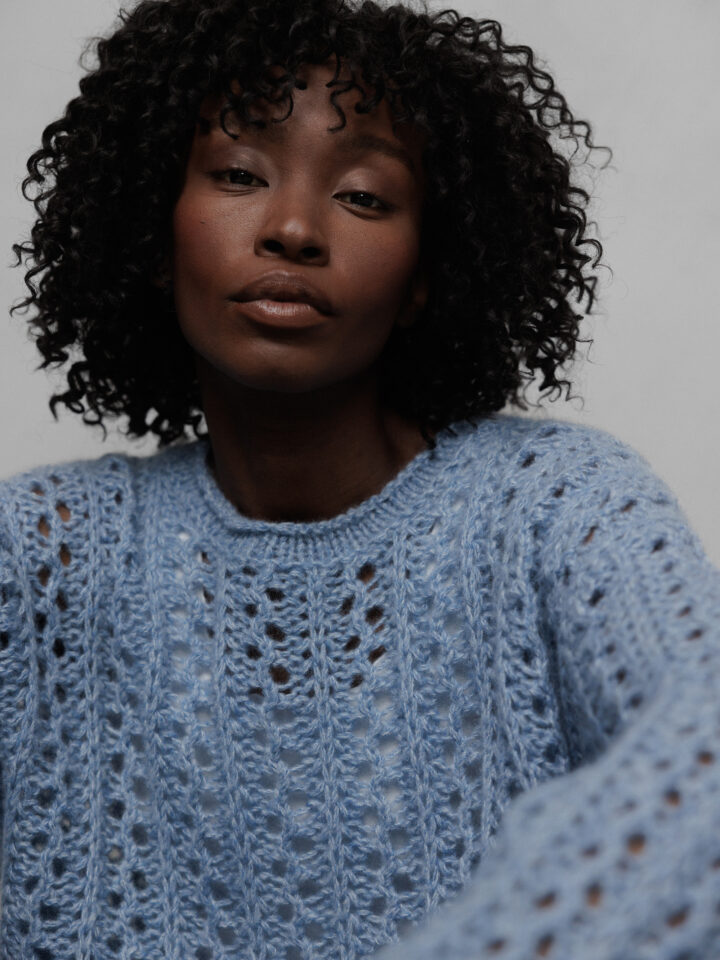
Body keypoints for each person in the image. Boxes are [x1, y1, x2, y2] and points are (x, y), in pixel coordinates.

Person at [2, 0, 719, 957]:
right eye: (239, 174)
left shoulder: (557, 509)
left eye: (365, 197)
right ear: (151, 229)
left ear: (426, 272)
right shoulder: (39, 554)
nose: (294, 228)